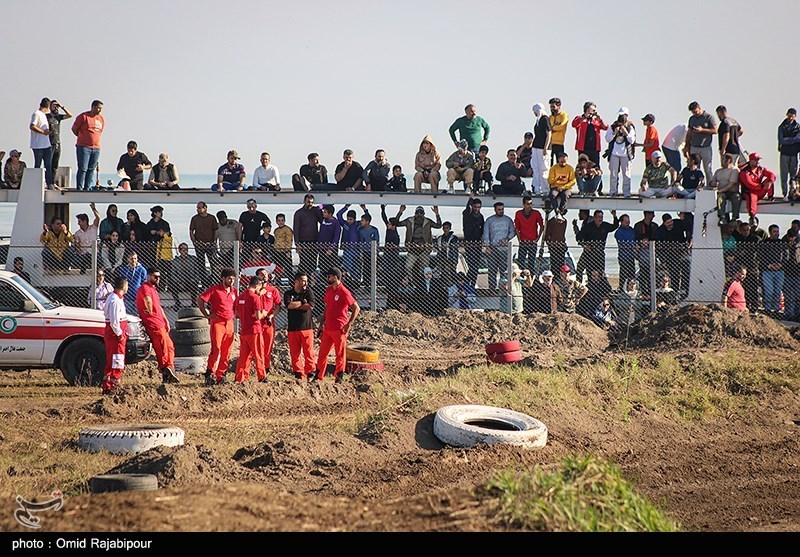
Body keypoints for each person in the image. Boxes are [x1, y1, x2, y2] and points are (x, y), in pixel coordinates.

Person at [312, 267, 360, 383]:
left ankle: (339, 376)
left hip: (339, 328)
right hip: (328, 327)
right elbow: (327, 307)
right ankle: (318, 376)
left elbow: (356, 308)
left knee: (340, 353)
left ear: (335, 277)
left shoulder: (344, 291)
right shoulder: (328, 290)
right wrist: (321, 324)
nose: (327, 278)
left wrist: (348, 324)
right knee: (322, 353)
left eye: (329, 276)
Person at [136, 268, 179, 384]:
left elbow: (158, 306)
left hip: (159, 321)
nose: (158, 279)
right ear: (149, 276)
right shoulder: (145, 288)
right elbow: (147, 300)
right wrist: (149, 310)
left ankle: (170, 369)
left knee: (169, 346)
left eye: (159, 277)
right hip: (152, 322)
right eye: (155, 277)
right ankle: (165, 369)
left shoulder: (153, 289)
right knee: (161, 345)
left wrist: (165, 319)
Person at [198, 267, 238, 386]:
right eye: (229, 279)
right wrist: (206, 314)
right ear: (223, 278)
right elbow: (200, 299)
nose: (231, 281)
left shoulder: (234, 291)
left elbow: (235, 306)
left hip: (229, 323)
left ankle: (221, 375)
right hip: (217, 323)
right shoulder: (214, 290)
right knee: (216, 349)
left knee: (227, 351)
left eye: (233, 279)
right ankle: (210, 374)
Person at [284, 271, 316, 381]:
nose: (305, 283)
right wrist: (302, 302)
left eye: (306, 281)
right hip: (293, 328)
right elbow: (289, 305)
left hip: (306, 327)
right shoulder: (288, 293)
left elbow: (310, 306)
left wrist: (297, 304)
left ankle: (310, 372)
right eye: (303, 281)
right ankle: (298, 374)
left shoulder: (309, 292)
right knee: (295, 352)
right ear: (296, 281)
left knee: (309, 352)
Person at [395, 205, 442, 279]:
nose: (419, 214)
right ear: (415, 213)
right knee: (408, 266)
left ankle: (422, 284)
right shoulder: (409, 220)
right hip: (412, 249)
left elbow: (439, 225)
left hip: (425, 249)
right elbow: (396, 223)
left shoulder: (428, 221)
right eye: (417, 212)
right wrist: (400, 212)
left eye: (421, 212)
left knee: (424, 269)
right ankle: (411, 281)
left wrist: (437, 214)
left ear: (424, 213)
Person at [235, 276, 266, 383]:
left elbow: (237, 314)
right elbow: (258, 316)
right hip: (255, 330)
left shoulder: (240, 297)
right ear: (257, 285)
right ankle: (262, 377)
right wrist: (264, 313)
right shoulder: (255, 298)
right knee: (259, 354)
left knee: (244, 356)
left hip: (244, 331)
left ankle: (240, 378)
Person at [101, 275, 128, 395]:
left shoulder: (116, 298)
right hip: (115, 335)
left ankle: (109, 384)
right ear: (123, 286)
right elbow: (114, 321)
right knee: (117, 359)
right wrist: (119, 334)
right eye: (126, 285)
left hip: (115, 333)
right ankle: (112, 385)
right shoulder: (115, 300)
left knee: (113, 359)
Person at [71, 100, 104, 191]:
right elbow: (74, 129)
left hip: (96, 148)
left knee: (91, 169)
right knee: (83, 168)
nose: (99, 110)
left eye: (101, 109)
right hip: (83, 147)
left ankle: (87, 187)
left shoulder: (101, 119)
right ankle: (80, 188)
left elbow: (100, 131)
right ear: (93, 107)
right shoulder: (83, 116)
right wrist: (83, 137)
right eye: (98, 108)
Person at [482, 202, 516, 292]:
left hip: (504, 249)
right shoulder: (489, 220)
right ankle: (492, 289)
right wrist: (487, 246)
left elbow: (513, 231)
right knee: (492, 270)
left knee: (504, 270)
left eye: (502, 209)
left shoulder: (508, 220)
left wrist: (507, 238)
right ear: (495, 210)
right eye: (499, 209)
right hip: (493, 249)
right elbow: (486, 234)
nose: (501, 211)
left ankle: (503, 288)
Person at [604, 107, 636, 197]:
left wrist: (626, 132)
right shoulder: (613, 126)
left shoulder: (630, 127)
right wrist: (614, 133)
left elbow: (632, 140)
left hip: (626, 154)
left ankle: (626, 193)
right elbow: (607, 139)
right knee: (613, 174)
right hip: (614, 153)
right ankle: (613, 192)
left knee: (626, 174)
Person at [683, 101, 718, 183]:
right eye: (692, 112)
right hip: (694, 147)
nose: (694, 113)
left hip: (705, 147)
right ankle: (695, 187)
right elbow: (689, 133)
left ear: (699, 108)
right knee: (693, 168)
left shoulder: (709, 117)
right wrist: (686, 146)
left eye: (695, 111)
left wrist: (702, 130)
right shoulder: (692, 119)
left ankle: (709, 186)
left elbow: (715, 130)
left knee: (707, 168)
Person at [256, 267, 282, 375]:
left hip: (268, 323)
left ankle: (266, 369)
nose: (265, 276)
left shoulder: (273, 290)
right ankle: (258, 370)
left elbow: (278, 306)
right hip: (257, 323)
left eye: (266, 274)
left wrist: (271, 315)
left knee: (267, 348)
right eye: (262, 274)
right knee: (257, 347)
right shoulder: (254, 291)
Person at [739, 152, 777, 224]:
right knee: (752, 197)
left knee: (769, 180)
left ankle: (770, 196)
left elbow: (772, 175)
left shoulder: (761, 169)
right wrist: (762, 186)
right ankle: (752, 216)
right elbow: (750, 185)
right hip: (749, 192)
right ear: (750, 161)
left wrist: (770, 182)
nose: (757, 162)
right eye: (755, 160)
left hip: (759, 191)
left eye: (758, 160)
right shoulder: (744, 172)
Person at [579, 209, 619, 275]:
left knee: (600, 273)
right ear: (594, 218)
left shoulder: (605, 225)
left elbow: (615, 226)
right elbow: (579, 237)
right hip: (589, 253)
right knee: (585, 271)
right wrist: (584, 245)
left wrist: (614, 216)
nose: (600, 219)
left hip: (600, 253)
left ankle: (600, 285)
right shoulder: (588, 226)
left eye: (601, 217)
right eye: (598, 217)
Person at [189, 201, 219, 288]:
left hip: (210, 245)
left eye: (199, 208)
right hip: (199, 245)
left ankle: (213, 281)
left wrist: (214, 242)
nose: (197, 209)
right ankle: (203, 282)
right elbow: (191, 231)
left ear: (205, 208)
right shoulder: (195, 218)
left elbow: (216, 230)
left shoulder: (212, 218)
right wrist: (194, 242)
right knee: (200, 264)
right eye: (197, 208)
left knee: (213, 263)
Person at [293, 194, 323, 275]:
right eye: (308, 202)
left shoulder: (315, 211)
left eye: (312, 202)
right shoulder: (299, 213)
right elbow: (296, 229)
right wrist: (297, 244)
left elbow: (322, 221)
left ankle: (311, 285)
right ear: (304, 201)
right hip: (303, 242)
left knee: (313, 264)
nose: (310, 204)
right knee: (303, 264)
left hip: (314, 242)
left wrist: (320, 209)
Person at [760, 224, 786, 316]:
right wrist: (769, 265)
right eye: (774, 231)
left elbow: (785, 256)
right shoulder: (764, 243)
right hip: (767, 271)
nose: (777, 233)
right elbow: (761, 257)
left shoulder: (781, 243)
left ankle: (776, 309)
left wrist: (780, 264)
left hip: (779, 271)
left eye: (777, 231)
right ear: (770, 232)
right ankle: (767, 309)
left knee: (777, 291)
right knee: (769, 290)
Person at [45, 99, 72, 188]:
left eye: (57, 106)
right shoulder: (47, 116)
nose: (56, 108)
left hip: (57, 143)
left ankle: (52, 182)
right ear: (50, 107)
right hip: (49, 143)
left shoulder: (58, 117)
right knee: (49, 164)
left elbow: (70, 115)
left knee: (55, 164)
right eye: (54, 106)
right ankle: (48, 182)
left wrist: (62, 106)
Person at [572, 101, 608, 166]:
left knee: (595, 167)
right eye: (593, 110)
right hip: (583, 148)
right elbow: (574, 124)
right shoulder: (580, 118)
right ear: (587, 110)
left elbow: (606, 127)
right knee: (582, 166)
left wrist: (600, 120)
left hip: (594, 149)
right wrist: (584, 117)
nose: (594, 112)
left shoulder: (596, 120)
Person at [514, 196, 543, 273]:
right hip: (523, 241)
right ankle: (522, 278)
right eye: (527, 204)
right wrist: (519, 240)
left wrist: (538, 238)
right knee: (521, 261)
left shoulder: (536, 213)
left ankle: (531, 279)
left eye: (531, 204)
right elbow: (517, 227)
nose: (529, 206)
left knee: (532, 262)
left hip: (532, 241)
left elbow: (542, 226)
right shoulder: (519, 213)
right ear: (523, 204)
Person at [711, 154, 742, 224]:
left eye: (723, 160)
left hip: (732, 192)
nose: (721, 161)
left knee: (737, 198)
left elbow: (731, 184)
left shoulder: (735, 170)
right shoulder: (718, 171)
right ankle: (722, 217)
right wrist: (712, 183)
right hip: (722, 193)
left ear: (729, 161)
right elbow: (712, 181)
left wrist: (719, 191)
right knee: (720, 198)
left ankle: (734, 218)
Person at [29, 97, 54, 187]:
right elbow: (32, 126)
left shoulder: (44, 115)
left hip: (46, 144)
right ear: (48, 106)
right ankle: (36, 183)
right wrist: (43, 132)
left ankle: (50, 183)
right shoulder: (37, 114)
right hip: (38, 145)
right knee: (38, 165)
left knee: (48, 165)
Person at [69, 203, 100, 274]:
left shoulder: (93, 228)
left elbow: (98, 218)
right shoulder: (77, 233)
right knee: (81, 259)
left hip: (94, 254)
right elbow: (77, 246)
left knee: (98, 260)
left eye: (79, 221)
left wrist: (93, 209)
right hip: (83, 256)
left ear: (85, 221)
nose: (78, 223)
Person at [462, 196, 485, 287]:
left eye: (478, 207)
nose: (476, 209)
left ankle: (471, 285)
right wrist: (470, 199)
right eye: (475, 207)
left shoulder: (481, 217)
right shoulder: (468, 215)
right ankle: (467, 284)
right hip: (469, 243)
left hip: (478, 244)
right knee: (472, 265)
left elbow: (482, 230)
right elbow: (467, 209)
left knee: (476, 266)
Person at [530, 102, 552, 196]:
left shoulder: (545, 119)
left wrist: (545, 148)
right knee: (536, 167)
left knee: (544, 168)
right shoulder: (538, 120)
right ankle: (537, 188)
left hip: (542, 147)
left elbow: (549, 134)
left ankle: (545, 188)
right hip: (536, 146)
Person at [778, 108, 800, 200]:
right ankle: (785, 194)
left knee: (793, 176)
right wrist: (793, 139)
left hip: (794, 154)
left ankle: (793, 193)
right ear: (787, 114)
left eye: (792, 116)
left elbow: (799, 139)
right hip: (784, 153)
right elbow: (781, 140)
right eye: (789, 115)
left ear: (795, 116)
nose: (791, 117)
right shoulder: (782, 127)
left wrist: (789, 139)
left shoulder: (798, 127)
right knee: (784, 175)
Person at [171, 243, 200, 310]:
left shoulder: (193, 259)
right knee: (172, 285)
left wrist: (194, 279)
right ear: (179, 250)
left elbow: (197, 273)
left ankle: (193, 302)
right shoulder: (175, 261)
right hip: (180, 281)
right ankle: (177, 303)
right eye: (182, 249)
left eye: (186, 249)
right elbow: (173, 275)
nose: (184, 251)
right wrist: (179, 282)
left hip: (191, 281)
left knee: (194, 285)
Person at [546, 152, 576, 216]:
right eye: (562, 161)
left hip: (566, 188)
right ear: (558, 160)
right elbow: (549, 181)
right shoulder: (553, 168)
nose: (563, 163)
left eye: (565, 161)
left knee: (565, 195)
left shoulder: (570, 168)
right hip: (555, 187)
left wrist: (564, 187)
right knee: (552, 195)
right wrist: (557, 179)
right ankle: (556, 210)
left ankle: (561, 211)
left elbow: (573, 181)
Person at [118, 251, 147, 316]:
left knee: (139, 316)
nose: (133, 260)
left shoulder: (142, 270)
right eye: (131, 259)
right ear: (128, 259)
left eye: (135, 258)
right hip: (127, 297)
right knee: (128, 316)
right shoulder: (124, 270)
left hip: (138, 298)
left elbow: (144, 283)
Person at [143, 205, 170, 270]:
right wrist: (153, 232)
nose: (161, 213)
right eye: (159, 212)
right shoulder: (150, 224)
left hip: (162, 248)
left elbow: (169, 233)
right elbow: (146, 234)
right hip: (152, 247)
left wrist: (163, 233)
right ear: (155, 213)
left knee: (163, 266)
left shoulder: (164, 223)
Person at [356, 212, 379, 286]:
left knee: (373, 268)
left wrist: (376, 252)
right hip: (365, 252)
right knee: (365, 268)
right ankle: (366, 284)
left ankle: (372, 283)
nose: (361, 222)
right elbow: (361, 242)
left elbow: (377, 241)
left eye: (362, 220)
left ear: (367, 221)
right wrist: (361, 253)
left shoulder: (374, 230)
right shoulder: (361, 230)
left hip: (372, 252)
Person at [318, 204, 342, 274]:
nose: (323, 213)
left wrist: (331, 248)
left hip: (331, 251)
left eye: (325, 212)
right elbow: (317, 209)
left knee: (331, 268)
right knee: (322, 268)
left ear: (330, 214)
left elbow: (336, 237)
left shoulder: (335, 223)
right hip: (322, 249)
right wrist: (324, 204)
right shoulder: (323, 220)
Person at [615, 214, 637, 288]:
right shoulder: (619, 232)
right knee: (623, 274)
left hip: (631, 256)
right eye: (626, 222)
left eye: (629, 221)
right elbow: (622, 243)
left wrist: (636, 245)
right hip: (623, 257)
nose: (628, 223)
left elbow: (635, 239)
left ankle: (632, 289)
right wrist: (633, 246)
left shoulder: (631, 230)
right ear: (621, 222)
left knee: (632, 274)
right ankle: (622, 289)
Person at [434, 221, 459, 288]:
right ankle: (443, 286)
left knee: (450, 273)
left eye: (447, 228)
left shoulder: (453, 238)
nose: (445, 230)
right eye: (444, 228)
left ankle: (451, 287)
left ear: (450, 228)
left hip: (450, 259)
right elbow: (438, 250)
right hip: (442, 260)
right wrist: (438, 261)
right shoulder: (440, 238)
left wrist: (454, 262)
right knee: (441, 274)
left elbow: (455, 251)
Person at [273, 213, 294, 280]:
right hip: (277, 252)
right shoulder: (276, 230)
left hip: (285, 252)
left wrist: (287, 251)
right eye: (279, 220)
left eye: (282, 220)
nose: (280, 222)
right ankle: (278, 281)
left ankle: (291, 282)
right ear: (276, 221)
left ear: (284, 221)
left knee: (288, 269)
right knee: (278, 269)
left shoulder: (287, 229)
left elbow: (289, 241)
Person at [548, 98, 569, 165]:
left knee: (560, 163)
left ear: (558, 107)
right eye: (551, 107)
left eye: (553, 107)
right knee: (549, 163)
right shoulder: (550, 117)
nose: (552, 109)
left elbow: (562, 126)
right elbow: (548, 129)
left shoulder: (563, 115)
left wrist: (553, 128)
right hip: (550, 144)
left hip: (559, 143)